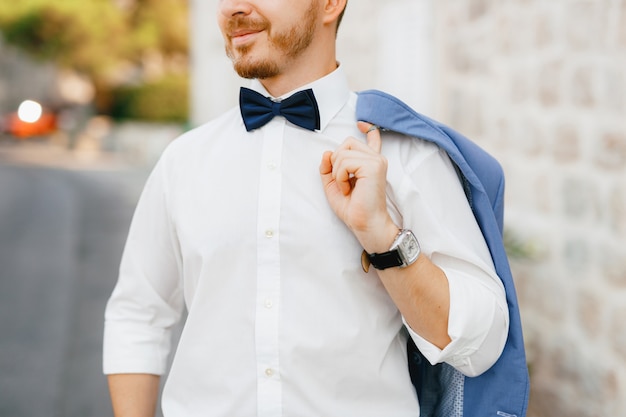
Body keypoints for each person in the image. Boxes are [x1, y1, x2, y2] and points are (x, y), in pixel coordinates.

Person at [103, 1, 511, 416]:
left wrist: (383, 238)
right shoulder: (183, 161)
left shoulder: (408, 155)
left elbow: (481, 344)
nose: (233, 8)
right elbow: (139, 314)